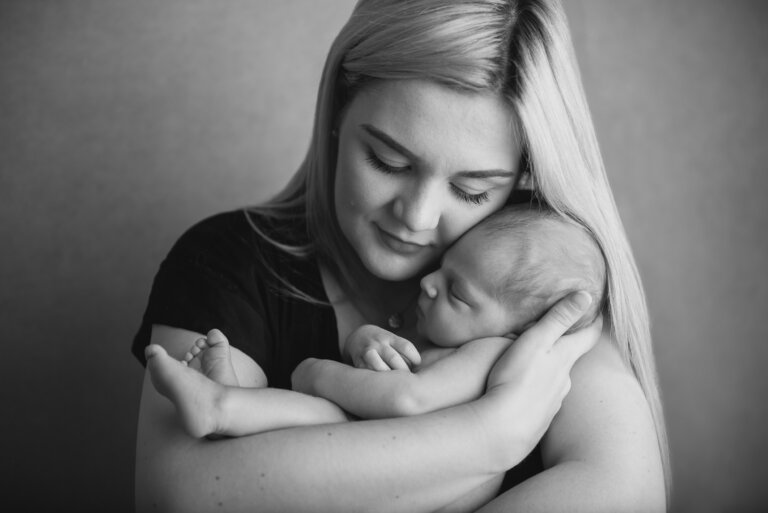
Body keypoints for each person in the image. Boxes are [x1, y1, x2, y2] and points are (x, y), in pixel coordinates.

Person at [133, 1, 669, 511]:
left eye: (473, 191)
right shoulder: (227, 263)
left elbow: (626, 495)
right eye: (388, 161)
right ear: (338, 111)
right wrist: (489, 437)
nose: (417, 217)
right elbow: (183, 497)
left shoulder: (540, 279)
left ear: (523, 178)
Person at [144, 204, 606, 443]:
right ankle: (225, 403)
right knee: (323, 419)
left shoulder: (491, 353)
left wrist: (316, 373)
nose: (427, 284)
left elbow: (408, 397)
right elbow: (389, 372)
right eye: (443, 268)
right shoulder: (448, 334)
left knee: (325, 415)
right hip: (373, 443)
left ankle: (223, 407)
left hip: (404, 465)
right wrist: (365, 340)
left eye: (456, 292)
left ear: (517, 332)